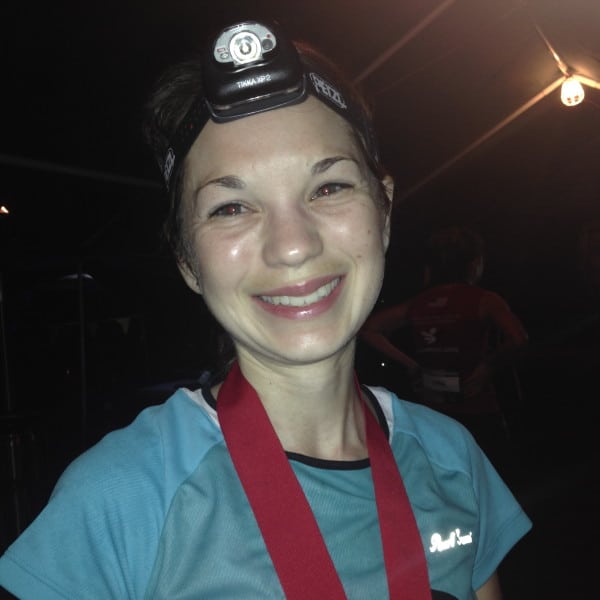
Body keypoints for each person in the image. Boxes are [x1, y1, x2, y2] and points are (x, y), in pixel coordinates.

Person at [0, 19, 531, 599]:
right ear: (186, 260)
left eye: (328, 188)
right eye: (231, 207)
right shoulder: (120, 499)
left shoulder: (452, 459)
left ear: (383, 210)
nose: (293, 245)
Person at [360, 226, 529, 475]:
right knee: (491, 476)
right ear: (474, 263)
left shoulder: (420, 303)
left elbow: (369, 329)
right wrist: (487, 368)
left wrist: (412, 365)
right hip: (477, 407)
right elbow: (519, 338)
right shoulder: (484, 300)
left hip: (434, 412)